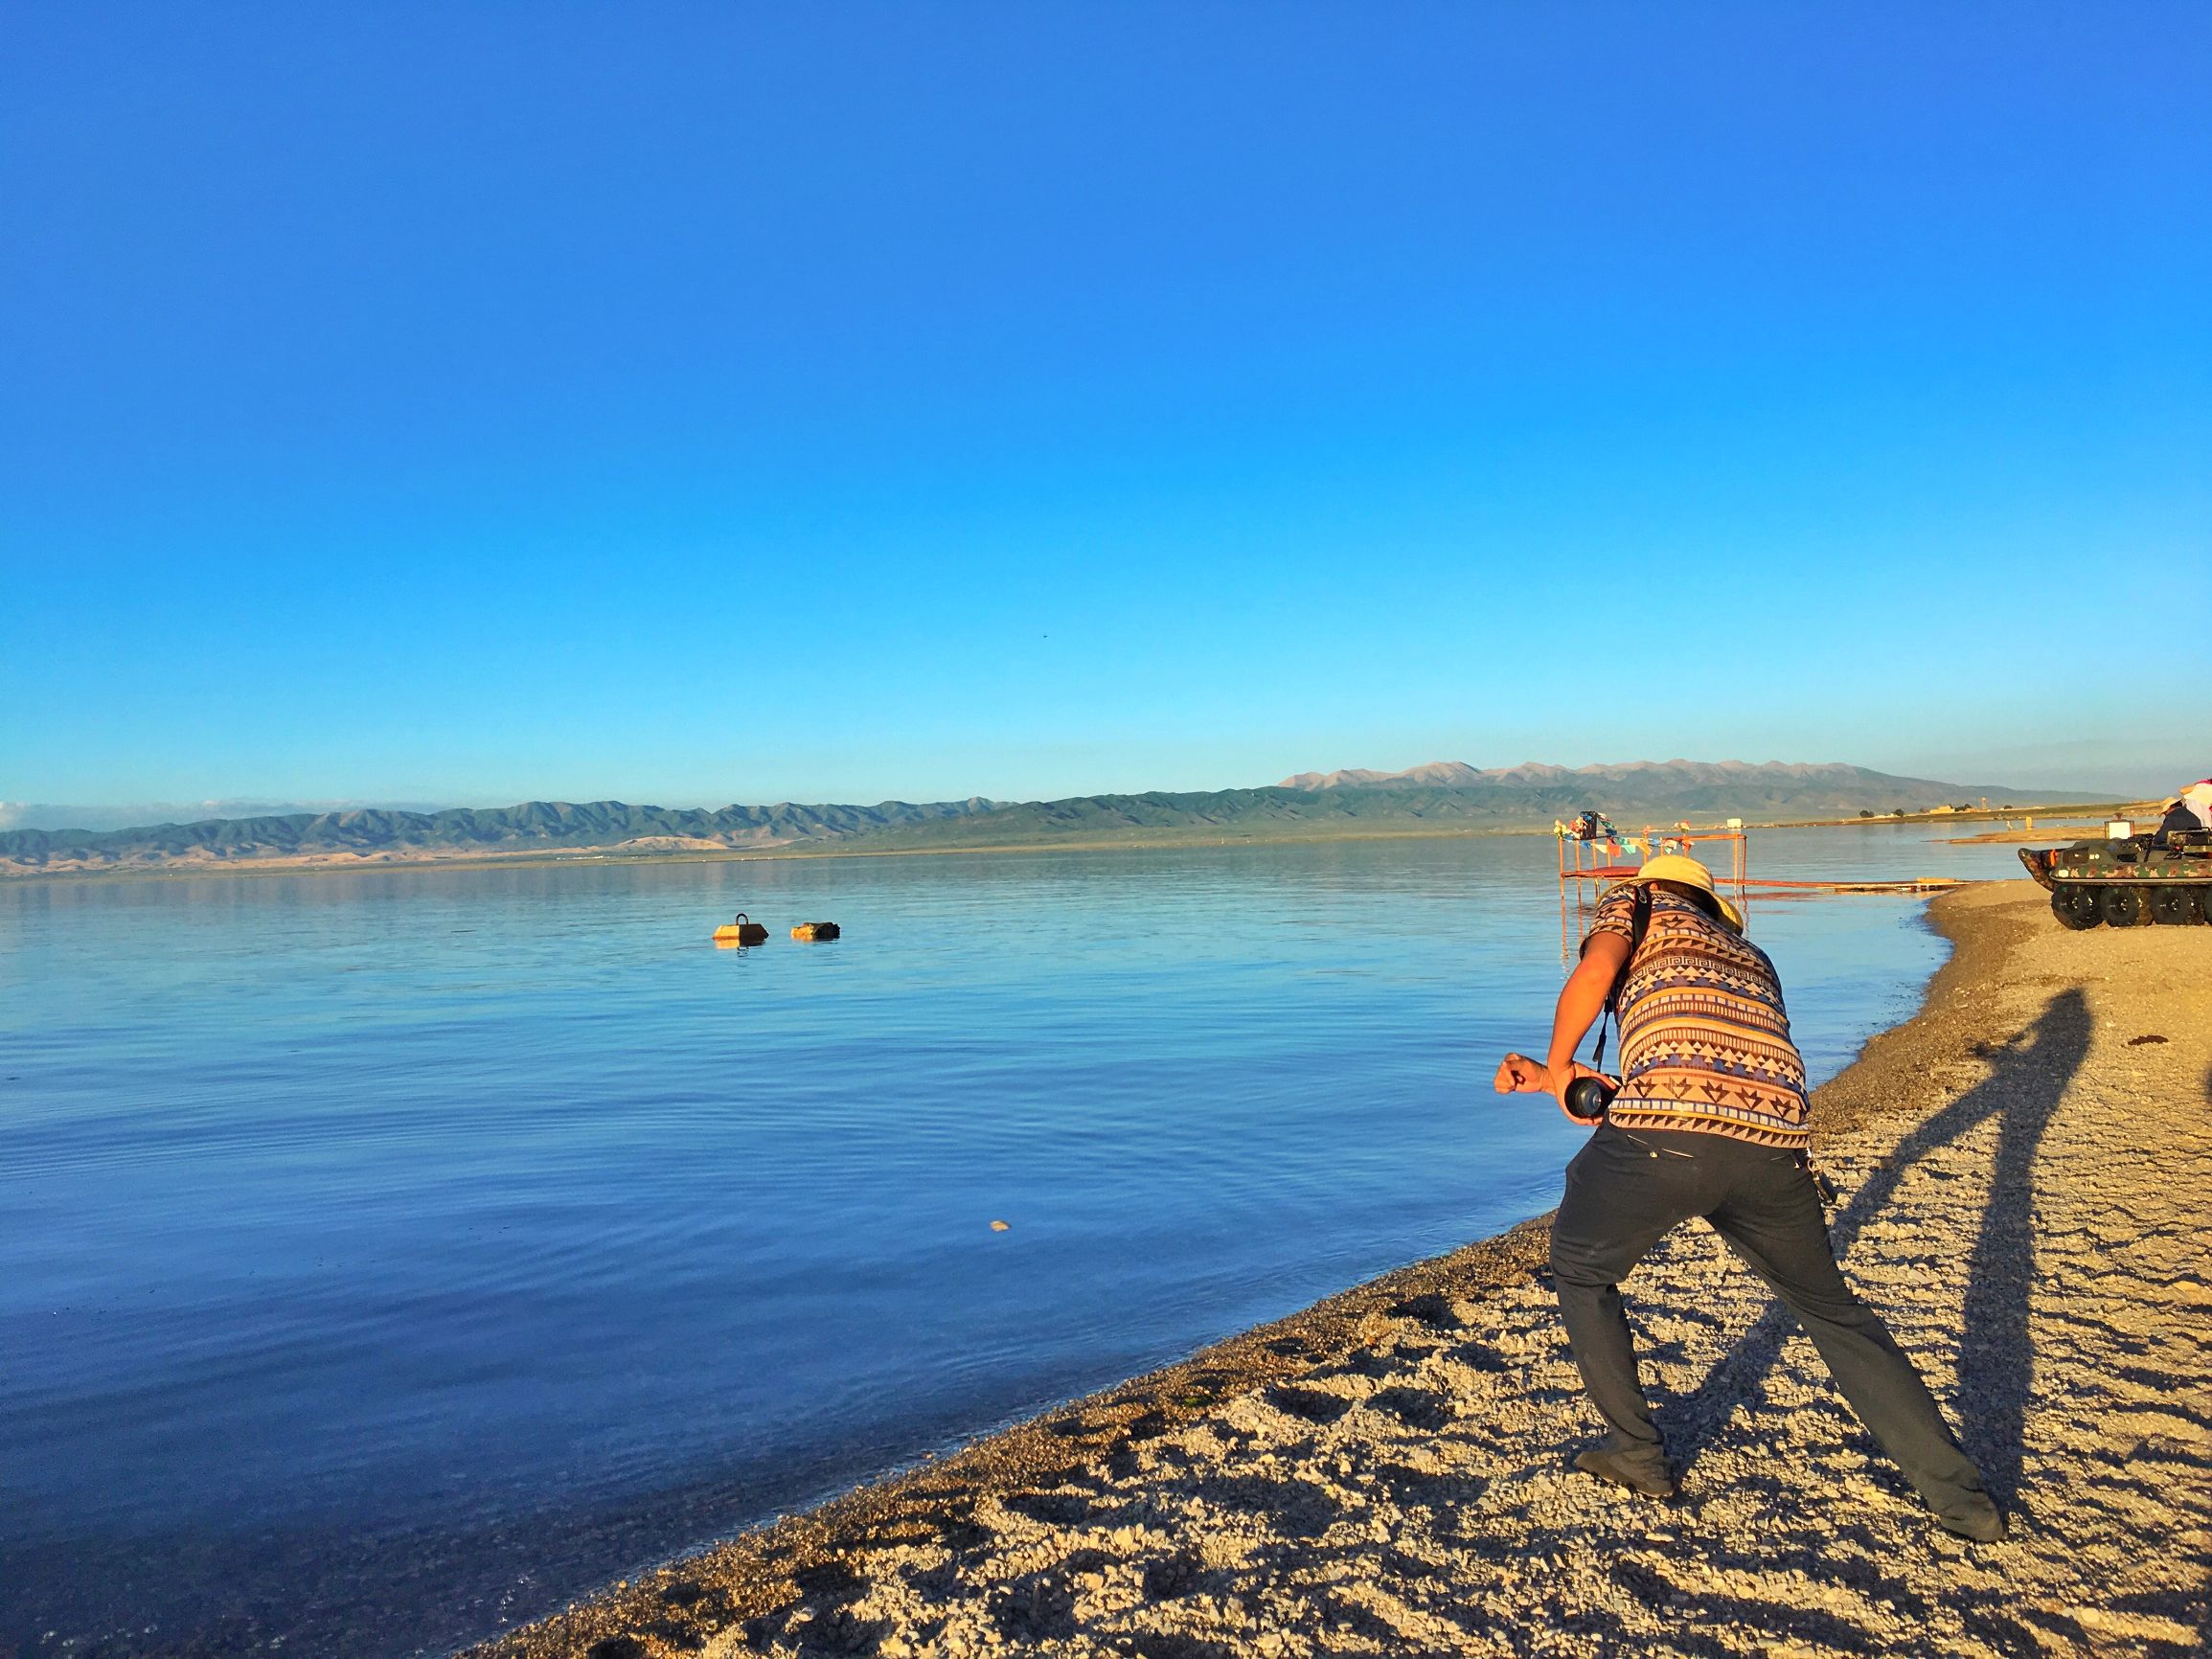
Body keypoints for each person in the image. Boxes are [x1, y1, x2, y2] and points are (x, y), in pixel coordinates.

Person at [1494, 853, 2005, 1542]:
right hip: (1775, 1148)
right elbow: (1713, 1073)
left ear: (1652, 886)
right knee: (1832, 1313)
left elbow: (1595, 975)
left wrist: (1558, 1069)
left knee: (1581, 1267)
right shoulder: (1750, 957)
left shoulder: (1637, 903)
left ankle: (1636, 1456)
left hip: (1662, 1138)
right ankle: (1964, 1503)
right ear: (1714, 908)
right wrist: (1559, 1081)